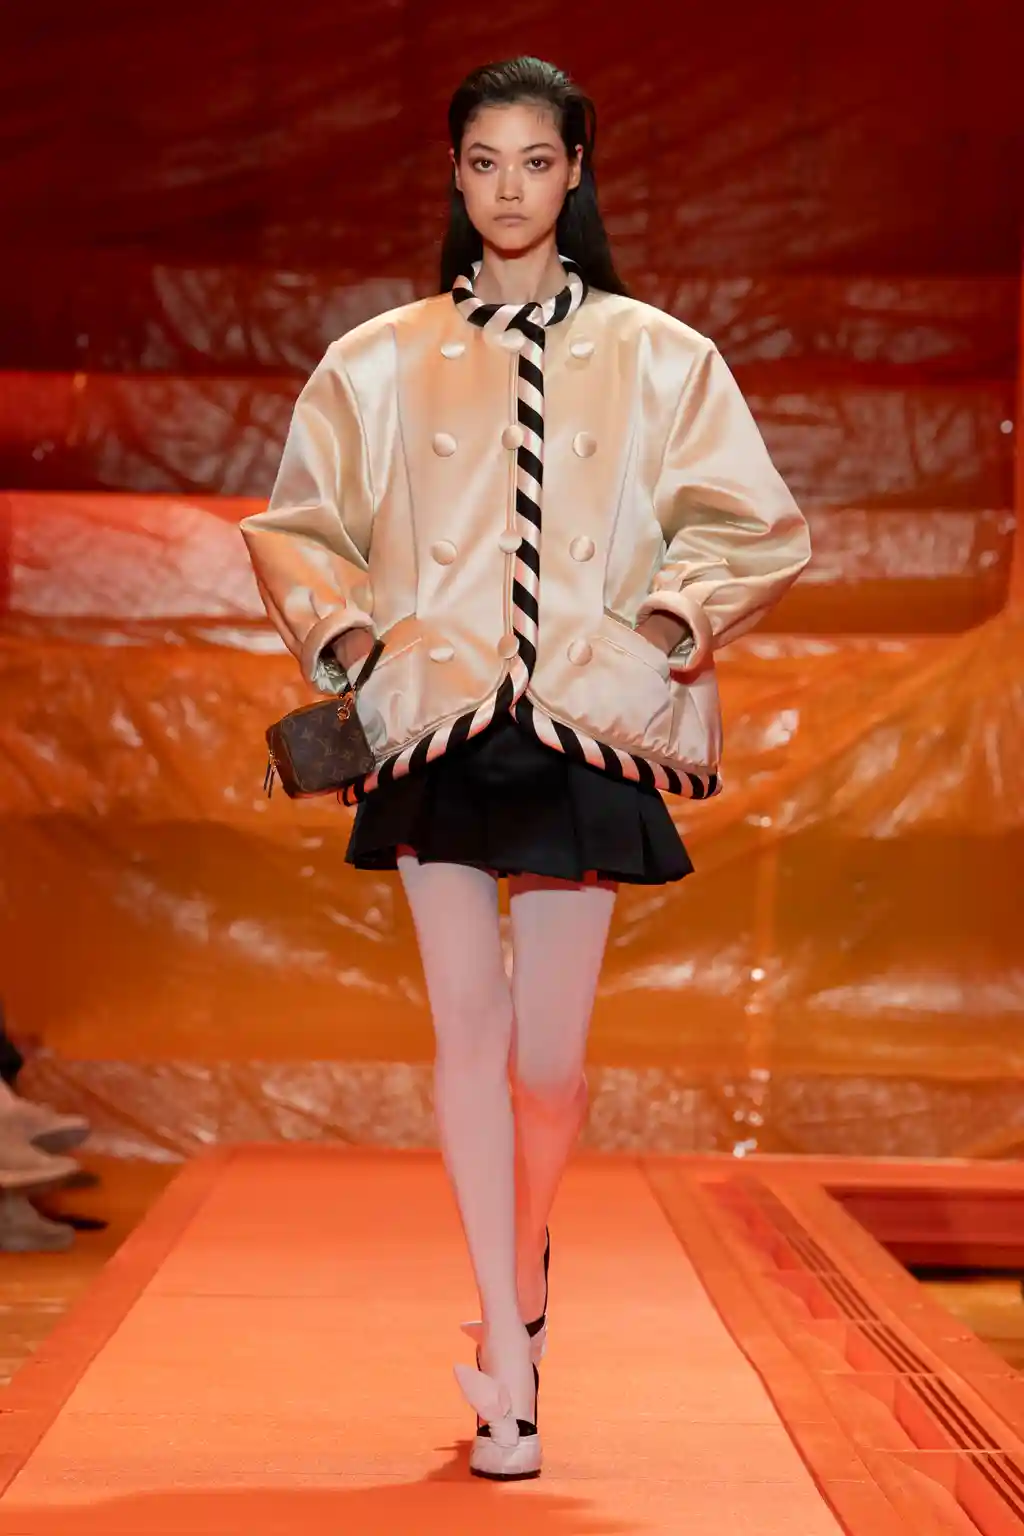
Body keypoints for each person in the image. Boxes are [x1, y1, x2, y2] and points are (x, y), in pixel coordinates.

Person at [241, 57, 810, 1480]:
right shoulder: (378, 360)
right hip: (438, 718)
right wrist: (349, 632)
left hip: (581, 722)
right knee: (467, 1034)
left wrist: (671, 618)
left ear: (576, 174)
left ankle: (527, 1269)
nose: (509, 188)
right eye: (485, 161)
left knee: (547, 1067)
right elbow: (299, 526)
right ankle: (504, 1351)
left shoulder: (662, 357)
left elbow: (752, 522)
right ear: (453, 171)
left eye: (536, 162)